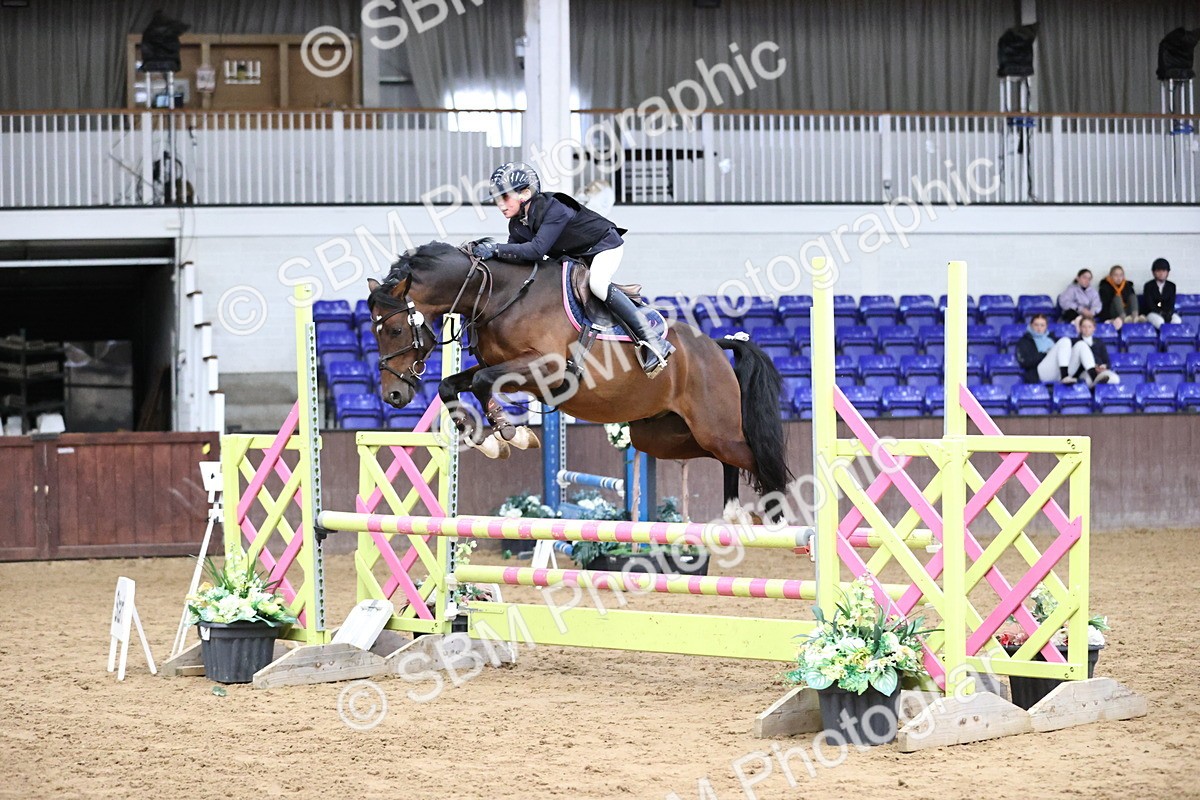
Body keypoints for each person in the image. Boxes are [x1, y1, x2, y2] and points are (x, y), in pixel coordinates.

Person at [472, 162, 674, 376]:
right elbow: (518, 259)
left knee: (597, 284)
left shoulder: (555, 208)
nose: (500, 205)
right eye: (496, 200)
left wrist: (495, 249)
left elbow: (536, 251)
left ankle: (653, 341)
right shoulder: (517, 225)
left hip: (603, 246)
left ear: (525, 193)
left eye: (504, 197)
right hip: (576, 257)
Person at [1015, 313, 1086, 385]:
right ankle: (1064, 376)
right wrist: (1045, 354)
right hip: (1040, 373)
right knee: (1065, 340)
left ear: (1046, 327)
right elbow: (1026, 362)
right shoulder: (1025, 341)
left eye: (1042, 325)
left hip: (1058, 372)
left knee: (1081, 344)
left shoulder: (1052, 338)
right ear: (1031, 325)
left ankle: (1093, 375)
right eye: (1036, 325)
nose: (1039, 328)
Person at [1071, 317, 1119, 386]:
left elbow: (1107, 361)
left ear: (1094, 328)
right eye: (1084, 327)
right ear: (1080, 328)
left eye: (1089, 327)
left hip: (1100, 371)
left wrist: (1104, 366)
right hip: (1085, 371)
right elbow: (1075, 363)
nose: (1087, 329)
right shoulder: (1075, 343)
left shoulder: (1100, 342)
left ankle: (1099, 384)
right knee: (1088, 381)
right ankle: (1096, 384)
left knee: (1114, 378)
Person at [1097, 265, 1142, 330]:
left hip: (1127, 312)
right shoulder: (1104, 287)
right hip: (1113, 313)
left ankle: (1135, 317)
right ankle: (1123, 318)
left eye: (1121, 275)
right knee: (1117, 298)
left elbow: (1131, 302)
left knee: (1132, 296)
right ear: (1111, 276)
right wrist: (1107, 318)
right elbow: (1105, 306)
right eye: (1116, 275)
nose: (1119, 278)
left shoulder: (1128, 286)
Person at [1142, 257, 1181, 330]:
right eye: (1158, 271)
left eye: (1164, 271)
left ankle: (1172, 340)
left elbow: (1171, 302)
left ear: (1167, 272)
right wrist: (1160, 313)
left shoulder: (1171, 286)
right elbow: (1150, 304)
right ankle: (1163, 340)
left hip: (1167, 313)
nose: (1161, 273)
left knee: (1177, 321)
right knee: (1160, 322)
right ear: (1154, 272)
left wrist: (1169, 313)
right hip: (1153, 313)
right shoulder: (1148, 285)